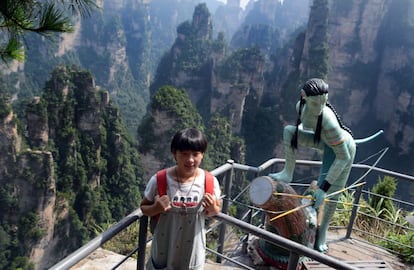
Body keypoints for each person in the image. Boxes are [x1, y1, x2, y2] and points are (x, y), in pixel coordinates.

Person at [269, 78, 356, 252]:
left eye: (323, 103)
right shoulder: (300, 106)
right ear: (304, 97)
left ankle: (322, 232)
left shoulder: (329, 122)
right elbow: (305, 126)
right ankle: (288, 172)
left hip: (343, 149)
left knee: (331, 196)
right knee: (289, 132)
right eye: (315, 103)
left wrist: (323, 189)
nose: (320, 108)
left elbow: (343, 157)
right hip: (322, 140)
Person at [140, 127, 222, 270]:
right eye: (184, 154)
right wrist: (155, 208)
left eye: (195, 154)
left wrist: (213, 209)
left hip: (193, 253)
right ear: (174, 154)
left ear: (202, 154)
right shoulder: (160, 180)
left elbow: (216, 210)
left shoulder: (209, 182)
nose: (190, 160)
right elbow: (144, 207)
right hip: (163, 251)